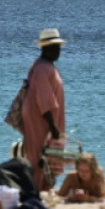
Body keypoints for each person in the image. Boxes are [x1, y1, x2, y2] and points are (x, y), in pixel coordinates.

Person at [20, 28, 66, 192]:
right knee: (41, 154)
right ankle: (38, 188)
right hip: (41, 119)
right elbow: (44, 98)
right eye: (55, 47)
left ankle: (40, 187)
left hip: (40, 117)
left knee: (42, 153)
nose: (58, 51)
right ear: (46, 48)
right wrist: (52, 126)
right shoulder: (43, 69)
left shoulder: (44, 66)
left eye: (59, 47)